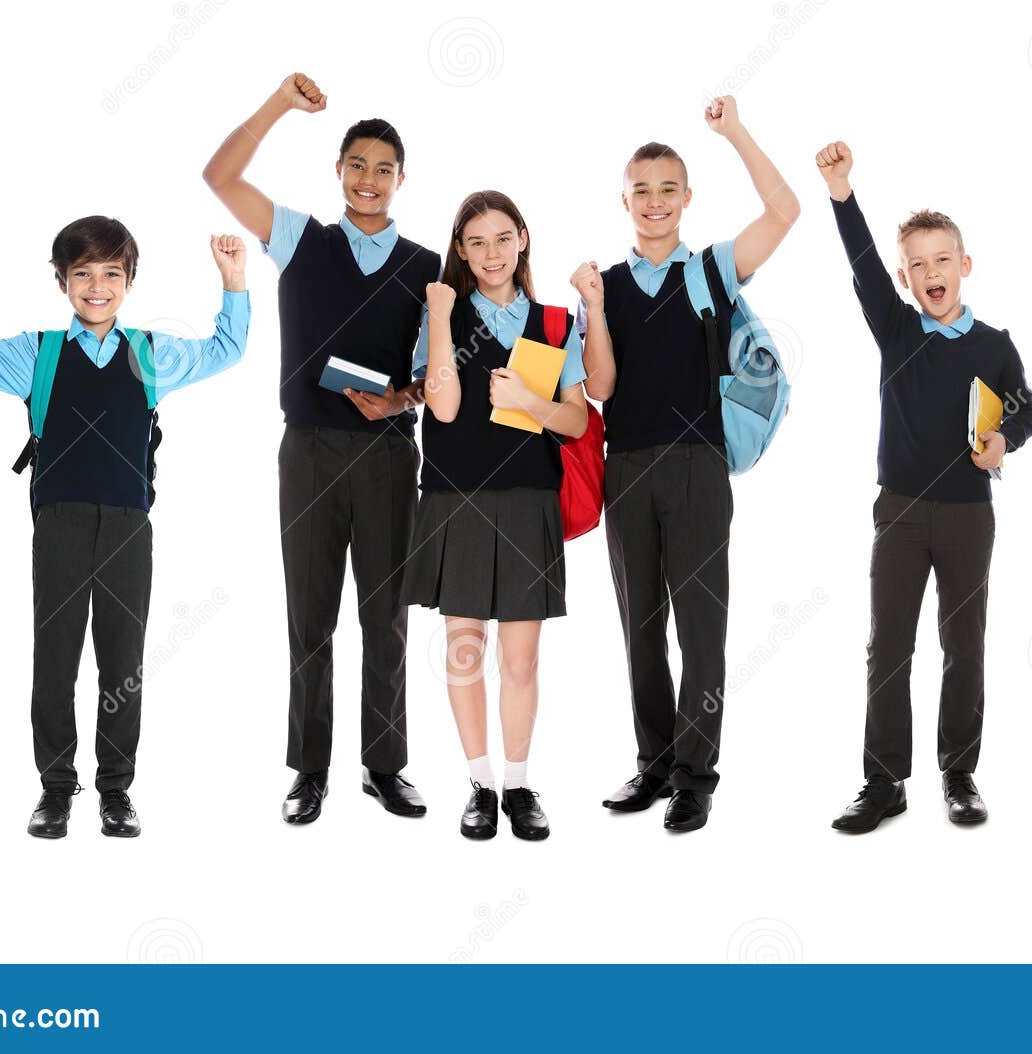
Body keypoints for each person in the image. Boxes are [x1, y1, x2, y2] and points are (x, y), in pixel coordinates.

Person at [0, 217, 249, 838]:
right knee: (54, 661)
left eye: (110, 274)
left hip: (130, 526)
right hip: (60, 525)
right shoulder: (39, 354)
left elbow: (226, 351)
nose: (96, 287)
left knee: (122, 663)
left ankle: (115, 791)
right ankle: (54, 789)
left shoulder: (151, 354)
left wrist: (233, 280)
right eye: (82, 274)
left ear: (129, 281)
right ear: (62, 282)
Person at [203, 72, 441, 825]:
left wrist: (398, 398)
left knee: (387, 618)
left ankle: (384, 764)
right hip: (307, 451)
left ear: (403, 180)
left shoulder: (428, 267)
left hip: (387, 454)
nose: (370, 180)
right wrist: (279, 102)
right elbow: (220, 176)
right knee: (310, 617)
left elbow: (434, 376)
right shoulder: (300, 239)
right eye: (357, 165)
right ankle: (309, 769)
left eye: (384, 169)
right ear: (338, 170)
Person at [572, 95, 799, 832]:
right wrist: (594, 310)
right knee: (640, 625)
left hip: (698, 467)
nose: (656, 201)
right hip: (626, 468)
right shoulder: (602, 287)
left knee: (701, 628)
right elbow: (599, 389)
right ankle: (655, 764)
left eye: (669, 188)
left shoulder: (711, 272)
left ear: (687, 198)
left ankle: (697, 776)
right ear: (624, 200)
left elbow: (784, 211)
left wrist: (735, 132)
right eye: (642, 189)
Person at [815, 141, 1032, 834]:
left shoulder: (996, 343)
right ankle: (883, 781)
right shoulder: (896, 328)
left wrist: (1009, 438)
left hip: (971, 514)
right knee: (889, 647)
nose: (930, 272)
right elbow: (860, 266)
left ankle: (959, 773)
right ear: (905, 278)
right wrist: (842, 190)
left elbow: (1026, 409)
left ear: (964, 266)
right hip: (902, 513)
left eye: (942, 259)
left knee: (963, 642)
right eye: (917, 265)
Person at [404, 191, 589, 841]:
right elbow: (445, 410)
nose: (491, 254)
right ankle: (480, 783)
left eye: (502, 239)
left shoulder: (555, 323)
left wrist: (530, 402)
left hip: (527, 499)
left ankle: (517, 784)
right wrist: (438, 312)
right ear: (460, 250)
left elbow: (574, 420)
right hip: (455, 498)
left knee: (520, 661)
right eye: (476, 242)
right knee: (463, 651)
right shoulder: (444, 316)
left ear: (524, 240)